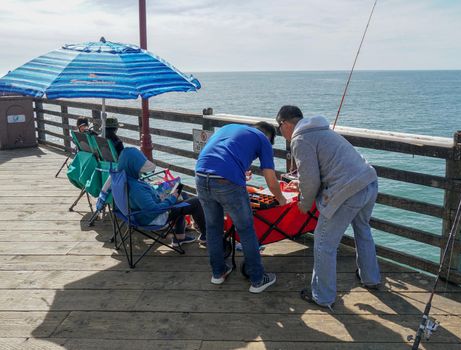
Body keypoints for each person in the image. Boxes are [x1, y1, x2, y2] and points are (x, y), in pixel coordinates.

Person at [276, 105, 381, 309]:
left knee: (324, 244)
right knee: (363, 231)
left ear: (285, 124)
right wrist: (302, 183)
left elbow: (312, 179)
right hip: (368, 181)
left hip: (348, 190)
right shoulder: (323, 130)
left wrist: (304, 204)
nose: (281, 133)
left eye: (279, 128)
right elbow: (327, 168)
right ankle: (371, 278)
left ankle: (322, 296)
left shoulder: (300, 139)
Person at [195, 121, 287, 293]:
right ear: (269, 137)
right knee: (246, 230)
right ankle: (258, 280)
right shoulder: (263, 139)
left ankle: (218, 273)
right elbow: (270, 178)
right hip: (226, 182)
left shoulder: (228, 128)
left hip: (200, 175)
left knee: (213, 228)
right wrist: (281, 199)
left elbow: (219, 156)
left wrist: (239, 171)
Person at [118, 147, 205, 245]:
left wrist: (165, 194)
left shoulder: (122, 179)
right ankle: (205, 235)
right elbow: (154, 210)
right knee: (196, 202)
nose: (141, 171)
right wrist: (171, 198)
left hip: (135, 214)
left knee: (182, 195)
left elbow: (144, 202)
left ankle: (180, 236)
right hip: (153, 218)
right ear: (133, 166)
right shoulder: (137, 189)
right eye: (140, 168)